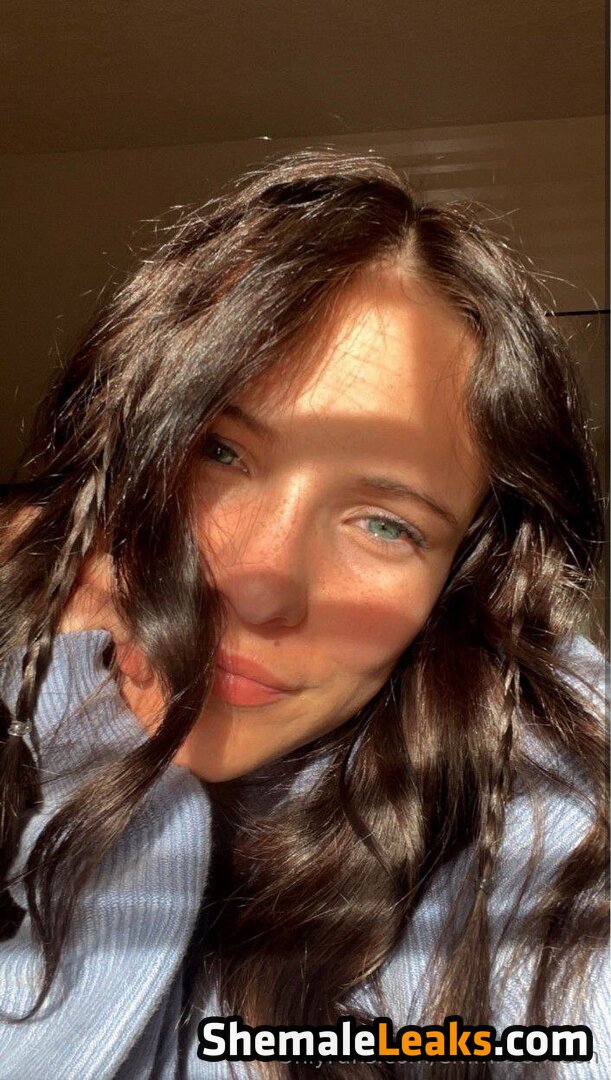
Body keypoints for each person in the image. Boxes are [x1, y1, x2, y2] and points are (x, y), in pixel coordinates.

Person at [0, 150, 607, 1079]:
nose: (260, 587)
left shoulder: (523, 805)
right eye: (218, 453)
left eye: (385, 524)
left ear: (459, 584)